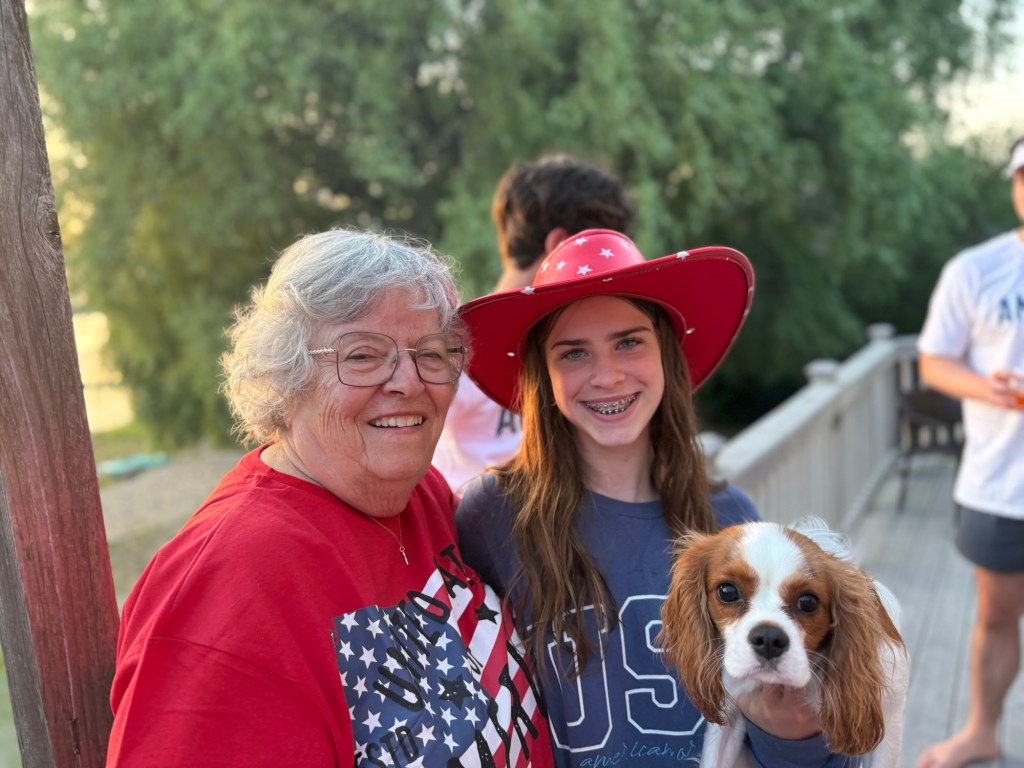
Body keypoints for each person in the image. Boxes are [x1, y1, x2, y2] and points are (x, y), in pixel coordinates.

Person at [107, 228, 555, 767]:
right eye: (363, 355)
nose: (409, 382)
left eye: (432, 353)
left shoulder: (419, 496)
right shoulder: (227, 587)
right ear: (286, 375)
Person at [455, 229, 857, 766]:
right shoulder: (492, 516)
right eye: (573, 353)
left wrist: (793, 735)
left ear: (666, 351)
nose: (607, 375)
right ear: (541, 376)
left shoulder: (731, 521)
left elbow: (781, 735)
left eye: (629, 341)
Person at [915, 137, 1024, 768]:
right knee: (998, 612)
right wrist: (990, 388)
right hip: (1001, 483)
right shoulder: (976, 270)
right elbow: (934, 360)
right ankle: (982, 729)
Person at [433, 155, 635, 492]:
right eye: (602, 253)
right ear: (559, 245)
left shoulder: (570, 344)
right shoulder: (455, 343)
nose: (609, 280)